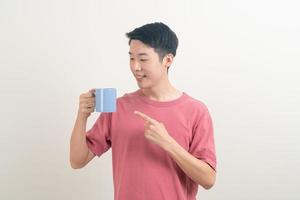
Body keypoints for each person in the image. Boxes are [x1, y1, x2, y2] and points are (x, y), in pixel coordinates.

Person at [70, 22, 217, 200]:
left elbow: (208, 179)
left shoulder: (196, 111)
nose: (135, 67)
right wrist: (82, 116)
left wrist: (168, 144)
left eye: (143, 59)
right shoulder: (117, 107)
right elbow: (77, 161)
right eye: (131, 58)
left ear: (168, 60)